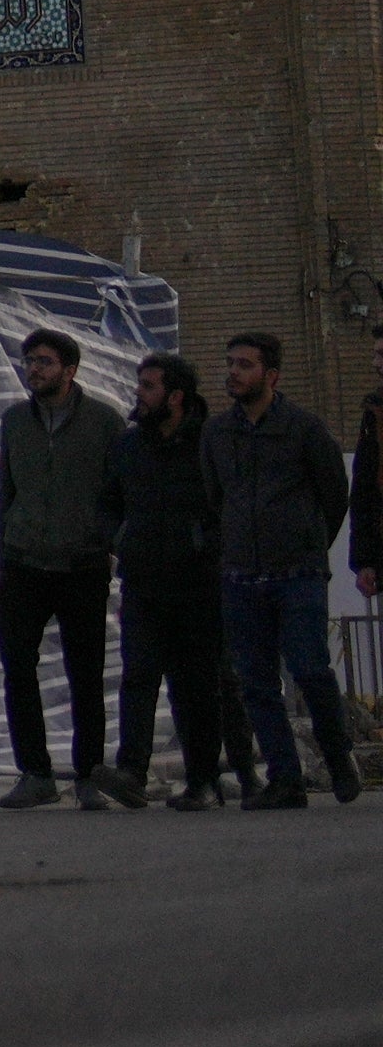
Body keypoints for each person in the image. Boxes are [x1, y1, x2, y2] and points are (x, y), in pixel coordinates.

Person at [203, 333, 360, 810]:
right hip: (241, 576)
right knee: (255, 680)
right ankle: (285, 778)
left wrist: (307, 546)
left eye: (244, 365)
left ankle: (338, 758)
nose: (233, 372)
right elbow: (216, 499)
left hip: (297, 574)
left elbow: (335, 496)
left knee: (311, 670)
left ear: (271, 375)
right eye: (230, 363)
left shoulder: (304, 429)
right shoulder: (218, 433)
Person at [0, 329, 126, 810]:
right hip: (23, 563)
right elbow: (8, 492)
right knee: (17, 670)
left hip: (81, 565)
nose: (34, 370)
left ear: (69, 370)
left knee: (85, 673)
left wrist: (105, 543)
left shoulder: (104, 423)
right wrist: (3, 554)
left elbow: (117, 495)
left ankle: (87, 774)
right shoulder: (14, 421)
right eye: (29, 361)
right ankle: (35, 773)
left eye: (44, 362)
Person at [107, 354, 246, 810]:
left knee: (197, 684)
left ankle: (202, 780)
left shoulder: (211, 441)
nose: (139, 395)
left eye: (148, 387)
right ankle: (131, 772)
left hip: (198, 582)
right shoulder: (130, 446)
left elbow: (230, 501)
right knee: (139, 674)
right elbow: (109, 504)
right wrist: (120, 539)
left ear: (176, 396)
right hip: (143, 580)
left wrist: (208, 545)